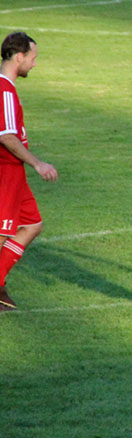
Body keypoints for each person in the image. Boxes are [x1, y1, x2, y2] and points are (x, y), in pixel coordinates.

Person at [0, 32, 58, 312]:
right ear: (19, 56)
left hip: (14, 175)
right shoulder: (5, 90)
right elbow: (7, 136)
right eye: (32, 59)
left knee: (32, 224)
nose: (34, 65)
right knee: (1, 232)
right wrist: (38, 163)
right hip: (5, 172)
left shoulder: (6, 88)